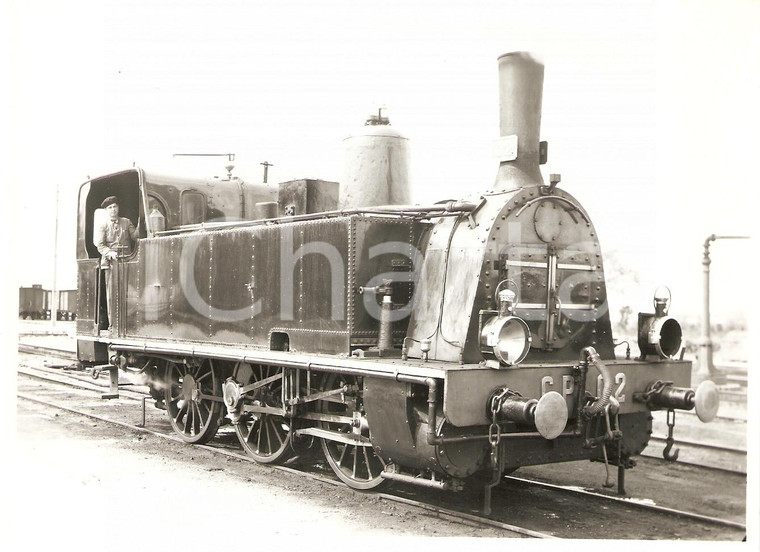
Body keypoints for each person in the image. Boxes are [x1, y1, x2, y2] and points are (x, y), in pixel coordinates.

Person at [94, 196, 137, 331]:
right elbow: (100, 245)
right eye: (110, 208)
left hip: (128, 262)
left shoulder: (126, 222)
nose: (113, 210)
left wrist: (141, 224)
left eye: (115, 207)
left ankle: (129, 325)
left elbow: (135, 237)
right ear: (107, 210)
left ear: (118, 208)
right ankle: (113, 325)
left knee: (130, 294)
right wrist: (110, 253)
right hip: (111, 264)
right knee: (112, 296)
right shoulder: (103, 225)